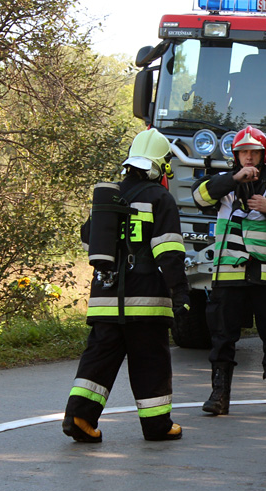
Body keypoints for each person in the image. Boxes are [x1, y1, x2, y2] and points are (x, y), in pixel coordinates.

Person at [63, 128, 190, 443]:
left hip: (105, 296)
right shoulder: (161, 198)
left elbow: (87, 236)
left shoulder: (110, 195)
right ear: (161, 165)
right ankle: (157, 425)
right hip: (146, 299)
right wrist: (181, 295)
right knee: (151, 360)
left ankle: (80, 417)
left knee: (99, 357)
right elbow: (168, 253)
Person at [192, 125, 266, 415]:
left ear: (263, 156)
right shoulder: (224, 184)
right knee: (223, 336)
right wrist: (234, 180)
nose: (248, 157)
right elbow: (199, 198)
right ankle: (219, 397)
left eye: (253, 152)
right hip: (229, 275)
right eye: (243, 152)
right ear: (236, 156)